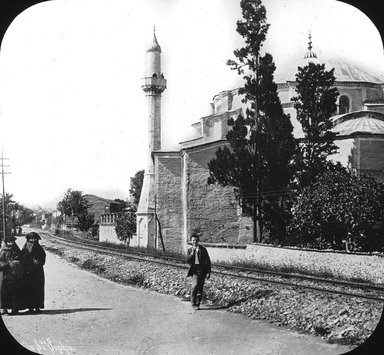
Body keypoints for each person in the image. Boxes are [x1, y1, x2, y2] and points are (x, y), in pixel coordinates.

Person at [21, 232, 46, 313]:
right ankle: (30, 307)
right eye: (31, 238)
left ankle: (37, 306)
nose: (33, 240)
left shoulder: (39, 247)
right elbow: (22, 257)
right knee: (29, 288)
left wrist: (39, 262)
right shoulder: (25, 246)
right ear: (28, 239)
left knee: (38, 288)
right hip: (28, 271)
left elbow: (43, 256)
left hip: (38, 271)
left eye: (35, 238)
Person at [186, 232, 211, 310]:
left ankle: (197, 304)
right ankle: (193, 303)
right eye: (193, 240)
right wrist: (192, 254)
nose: (194, 242)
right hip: (194, 271)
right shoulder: (190, 250)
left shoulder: (203, 249)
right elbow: (187, 260)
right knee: (195, 286)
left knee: (200, 288)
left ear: (198, 240)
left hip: (202, 271)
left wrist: (208, 272)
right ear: (191, 241)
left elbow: (208, 261)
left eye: (196, 240)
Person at [0, 236, 24, 315]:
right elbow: (1, 260)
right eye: (9, 242)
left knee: (14, 291)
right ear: (6, 242)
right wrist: (6, 264)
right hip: (5, 274)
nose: (10, 243)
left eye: (12, 242)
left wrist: (15, 263)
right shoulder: (3, 250)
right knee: (4, 291)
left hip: (14, 274)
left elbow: (20, 258)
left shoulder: (16, 249)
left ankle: (14, 308)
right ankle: (4, 308)